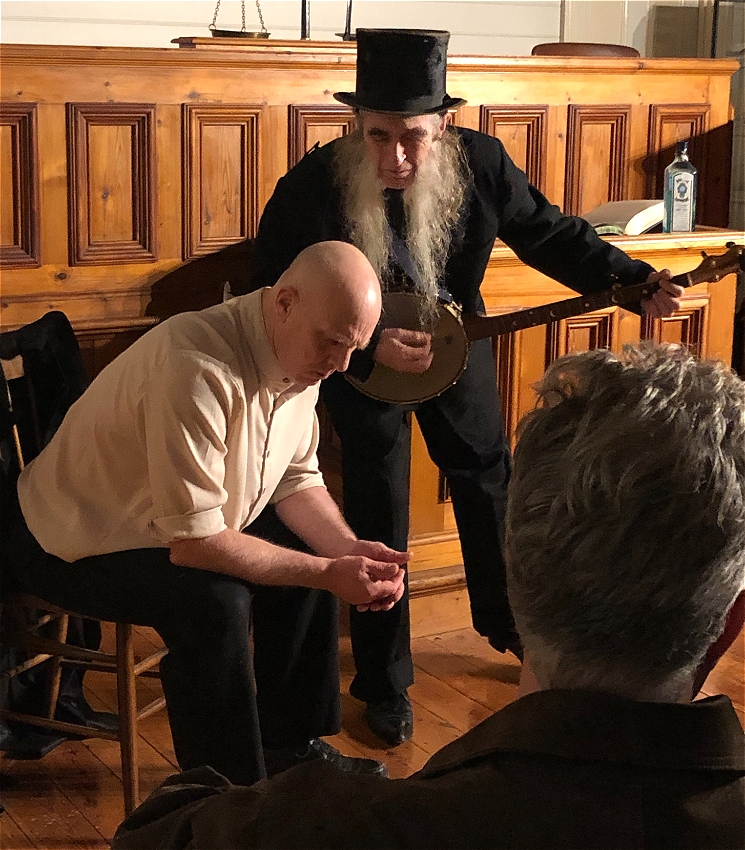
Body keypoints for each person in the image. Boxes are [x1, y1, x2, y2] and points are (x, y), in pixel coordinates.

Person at [111, 342, 745, 849]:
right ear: (730, 622)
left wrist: (310, 799)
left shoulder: (330, 828)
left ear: (516, 576)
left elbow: (155, 833)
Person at [246, 28, 685, 745]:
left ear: (443, 124)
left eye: (412, 137)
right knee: (377, 509)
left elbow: (548, 233)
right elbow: (275, 287)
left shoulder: (480, 162)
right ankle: (384, 681)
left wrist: (631, 281)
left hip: (457, 352)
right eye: (378, 135)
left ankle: (511, 629)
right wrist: (360, 344)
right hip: (359, 368)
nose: (394, 157)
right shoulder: (314, 182)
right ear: (356, 125)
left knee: (487, 484)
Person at [5, 241, 410, 786]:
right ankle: (225, 794)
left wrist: (344, 551)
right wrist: (326, 573)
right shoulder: (196, 364)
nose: (340, 365)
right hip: (69, 537)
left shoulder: (302, 351)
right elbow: (195, 544)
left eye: (353, 349)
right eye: (333, 344)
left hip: (175, 518)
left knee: (312, 553)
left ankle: (289, 745)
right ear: (284, 302)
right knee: (216, 603)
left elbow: (295, 479)